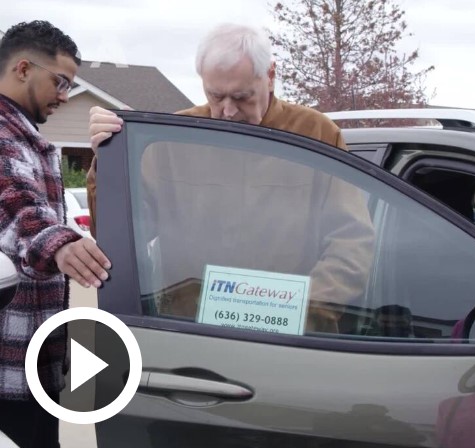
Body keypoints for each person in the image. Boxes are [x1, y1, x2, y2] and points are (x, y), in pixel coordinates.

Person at [86, 23, 373, 333]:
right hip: (190, 334)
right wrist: (109, 161)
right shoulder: (171, 141)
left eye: (241, 97)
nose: (227, 110)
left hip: (294, 339)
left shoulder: (316, 135)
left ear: (271, 76)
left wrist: (303, 310)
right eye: (215, 95)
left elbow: (352, 242)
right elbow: (121, 232)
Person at [0, 21, 111, 447]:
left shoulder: (27, 139)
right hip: (7, 377)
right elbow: (13, 199)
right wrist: (60, 242)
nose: (65, 97)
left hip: (33, 365)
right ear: (24, 68)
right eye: (61, 82)